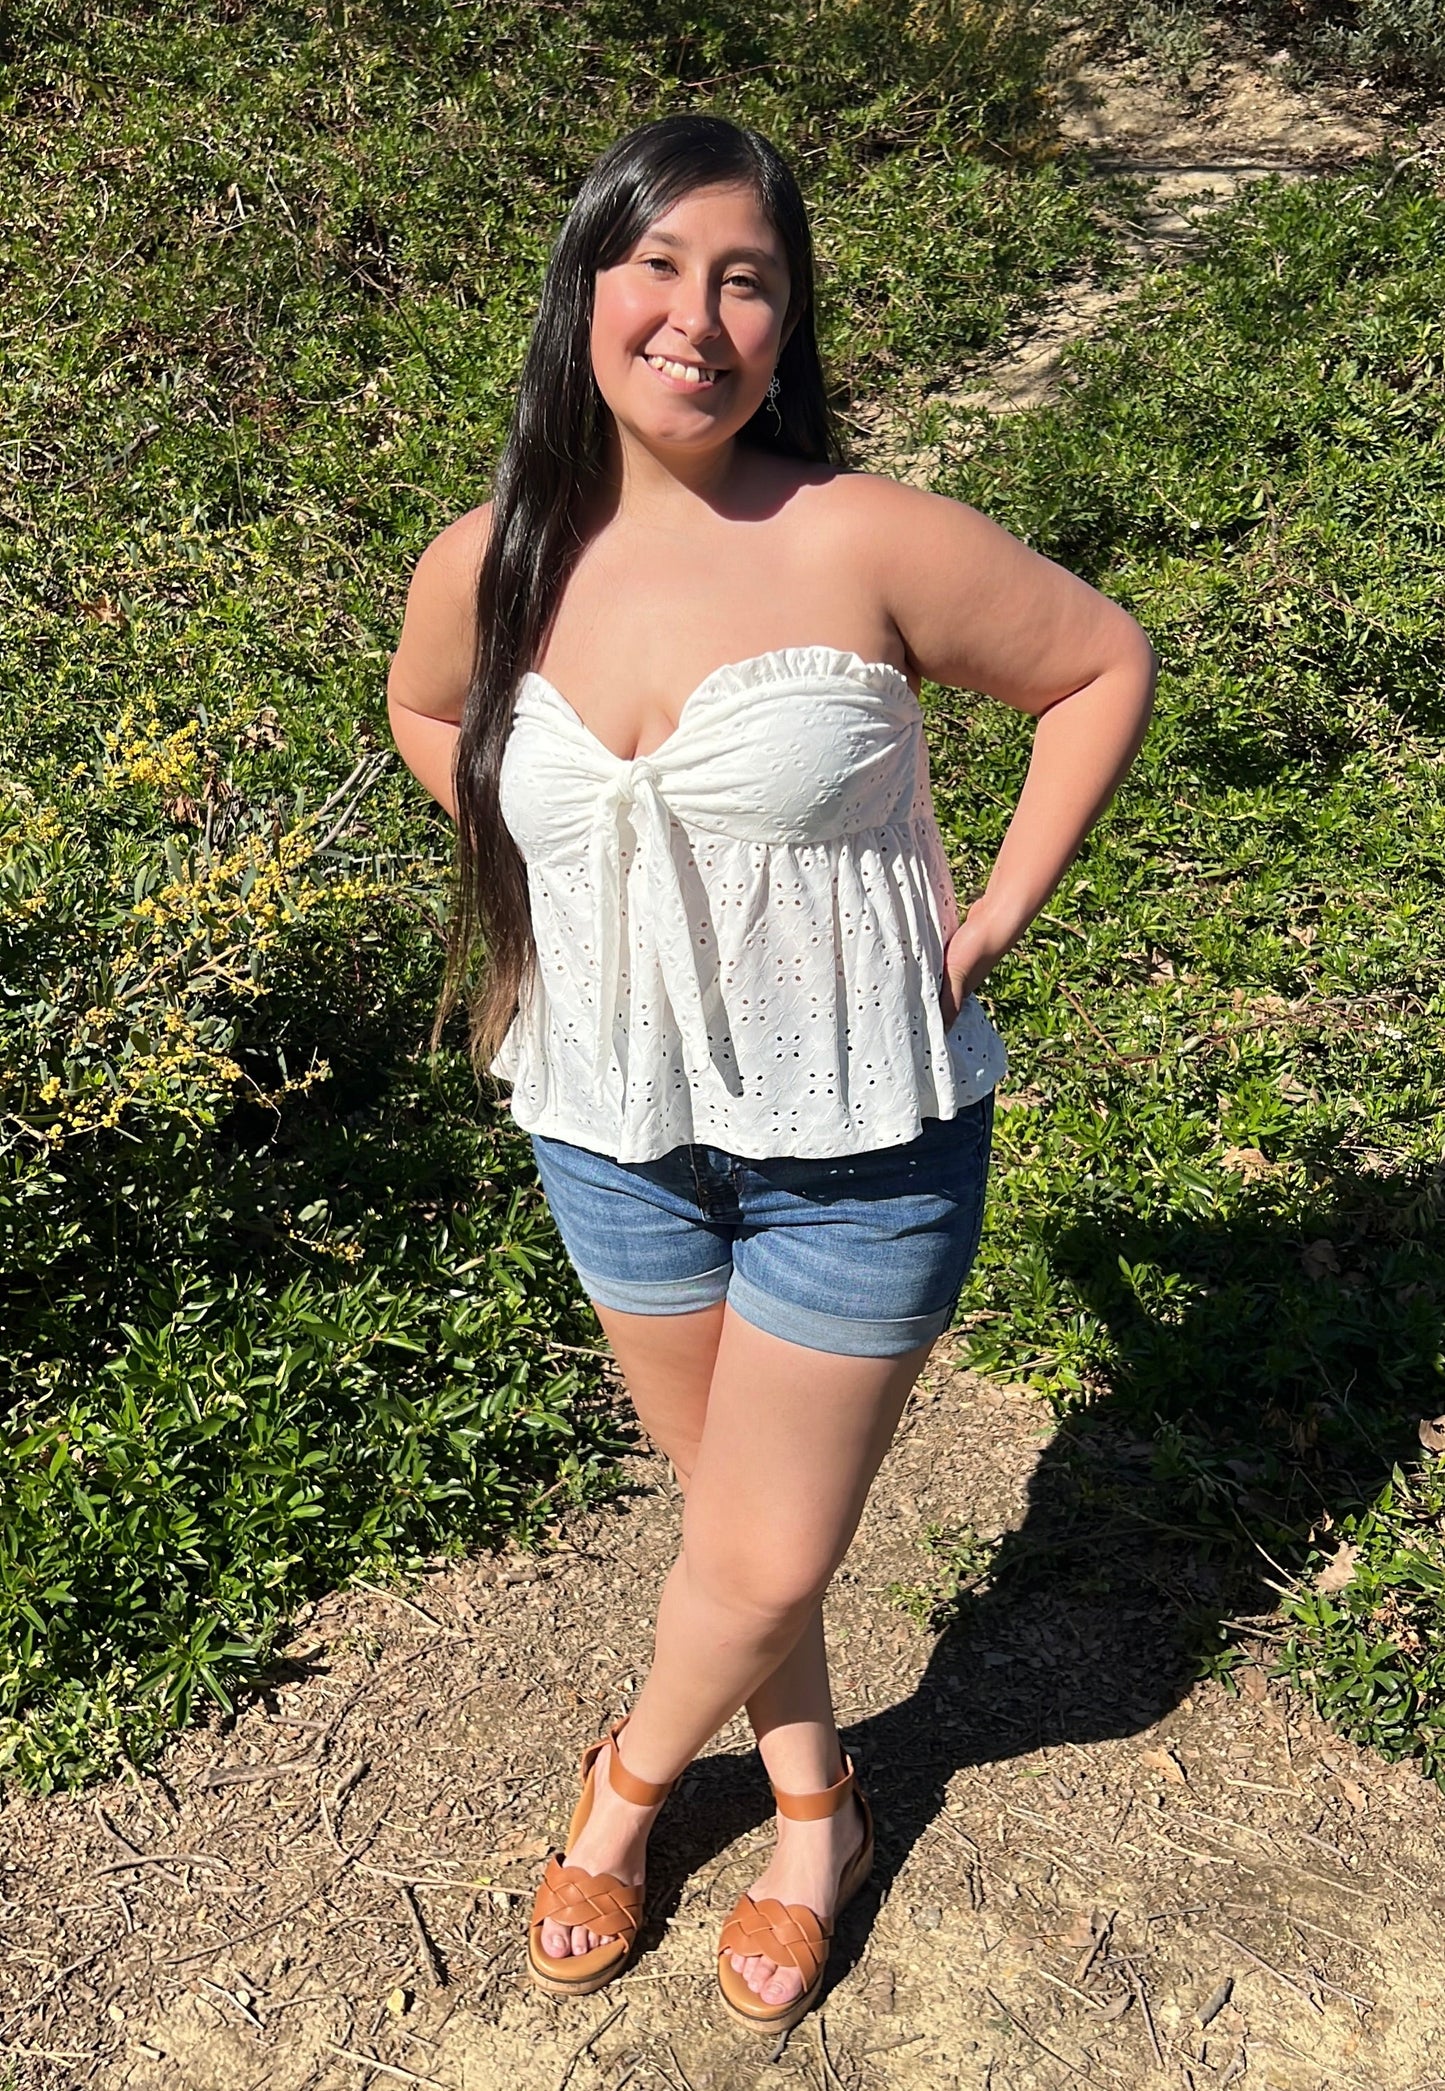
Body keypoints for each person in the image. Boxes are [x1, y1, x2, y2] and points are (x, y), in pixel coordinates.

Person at [386, 111, 1156, 2032]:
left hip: (859, 1140)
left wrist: (989, 919)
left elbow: (1097, 665)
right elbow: (426, 712)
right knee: (739, 1535)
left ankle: (627, 1787)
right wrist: (573, 871)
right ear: (584, 294)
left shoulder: (857, 532)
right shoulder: (491, 562)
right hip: (612, 1128)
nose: (698, 317)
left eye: (746, 280)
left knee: (758, 1540)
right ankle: (817, 1808)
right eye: (657, 267)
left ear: (787, 318)